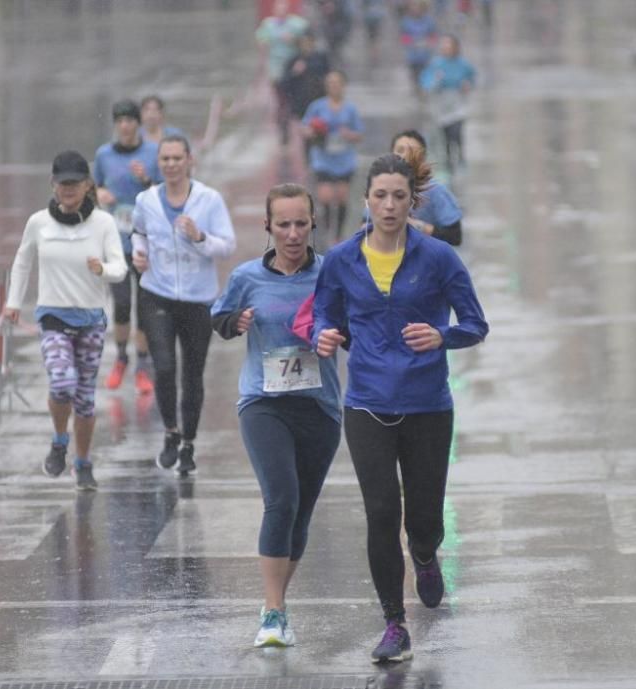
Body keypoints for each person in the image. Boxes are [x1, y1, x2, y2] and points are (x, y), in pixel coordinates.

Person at [311, 150, 488, 663]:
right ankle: (394, 623)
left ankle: (428, 553)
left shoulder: (438, 258)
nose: (389, 206)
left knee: (424, 518)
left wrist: (442, 335)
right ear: (366, 200)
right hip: (366, 402)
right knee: (382, 512)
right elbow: (326, 312)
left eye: (399, 197)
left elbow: (475, 324)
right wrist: (325, 334)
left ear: (413, 202)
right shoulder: (343, 259)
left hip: (428, 404)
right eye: (381, 196)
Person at [211, 183, 341, 648]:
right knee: (281, 499)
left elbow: (355, 326)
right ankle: (273, 611)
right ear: (268, 226)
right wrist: (236, 323)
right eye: (282, 224)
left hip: (320, 407)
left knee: (300, 515)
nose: (292, 233)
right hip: (263, 403)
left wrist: (336, 337)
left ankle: (274, 603)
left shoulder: (333, 274)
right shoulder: (247, 276)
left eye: (300, 223)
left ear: (312, 224)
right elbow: (221, 318)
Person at [4, 151, 128, 491]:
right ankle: (60, 441)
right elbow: (22, 262)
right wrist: (13, 302)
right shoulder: (39, 223)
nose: (69, 189)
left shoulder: (102, 223)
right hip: (53, 317)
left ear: (88, 185)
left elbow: (120, 268)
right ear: (53, 185)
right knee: (61, 383)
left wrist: (102, 269)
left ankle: (83, 462)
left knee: (85, 398)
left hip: (90, 319)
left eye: (75, 183)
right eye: (63, 184)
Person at [131, 135, 236, 477]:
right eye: (166, 159)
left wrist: (199, 236)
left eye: (178, 158)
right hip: (156, 293)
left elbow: (227, 246)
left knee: (192, 373)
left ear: (190, 161)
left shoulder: (209, 200)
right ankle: (170, 432)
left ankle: (188, 443)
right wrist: (139, 253)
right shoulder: (146, 200)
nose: (172, 165)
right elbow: (138, 232)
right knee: (163, 366)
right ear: (158, 163)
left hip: (197, 298)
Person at [93, 99, 161, 394]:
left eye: (130, 120)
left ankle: (142, 364)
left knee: (145, 307)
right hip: (115, 242)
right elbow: (92, 188)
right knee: (120, 303)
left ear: (138, 123)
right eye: (119, 120)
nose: (124, 125)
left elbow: (164, 192)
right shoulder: (104, 155)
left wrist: (146, 181)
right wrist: (100, 194)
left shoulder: (152, 153)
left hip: (145, 242)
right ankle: (121, 358)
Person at [301, 69, 364, 248]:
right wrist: (314, 131)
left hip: (344, 159)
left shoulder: (350, 109)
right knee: (326, 197)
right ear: (326, 87)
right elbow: (305, 128)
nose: (334, 87)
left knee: (342, 197)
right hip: (323, 158)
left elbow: (359, 134)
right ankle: (329, 231)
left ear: (343, 86)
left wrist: (348, 134)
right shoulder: (317, 106)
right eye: (330, 84)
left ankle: (338, 235)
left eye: (337, 83)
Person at [391, 129, 463, 245]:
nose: (405, 155)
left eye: (412, 151)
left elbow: (455, 236)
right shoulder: (380, 189)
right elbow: (365, 227)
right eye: (400, 150)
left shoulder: (435, 191)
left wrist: (415, 226)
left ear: (423, 157)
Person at [255, 0, 310, 147]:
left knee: (295, 101)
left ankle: (299, 128)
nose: (281, 12)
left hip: (293, 69)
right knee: (281, 101)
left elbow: (308, 39)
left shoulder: (297, 24)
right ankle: (283, 131)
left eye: (284, 9)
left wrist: (296, 42)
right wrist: (262, 68)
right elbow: (262, 44)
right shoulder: (268, 25)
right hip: (276, 70)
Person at [419, 34, 476, 174]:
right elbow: (426, 81)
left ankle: (461, 157)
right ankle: (449, 162)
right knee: (445, 135)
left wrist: (468, 85)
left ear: (456, 47)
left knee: (456, 131)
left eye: (448, 45)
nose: (445, 48)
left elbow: (472, 77)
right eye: (443, 45)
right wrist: (434, 83)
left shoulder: (464, 64)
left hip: (457, 103)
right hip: (442, 104)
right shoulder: (436, 64)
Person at [399, 0, 438, 95]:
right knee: (414, 76)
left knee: (425, 76)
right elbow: (403, 37)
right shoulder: (406, 21)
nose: (415, 9)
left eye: (417, 7)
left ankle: (424, 92)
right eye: (413, 7)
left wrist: (428, 43)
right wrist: (411, 42)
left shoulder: (429, 21)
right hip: (412, 55)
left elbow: (434, 36)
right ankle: (416, 91)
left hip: (425, 55)